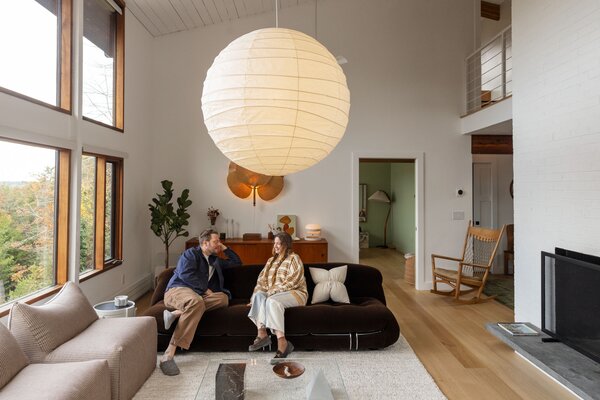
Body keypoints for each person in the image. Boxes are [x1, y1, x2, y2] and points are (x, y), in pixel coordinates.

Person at [159, 229, 241, 376]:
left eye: (219, 242)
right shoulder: (191, 254)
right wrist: (204, 289)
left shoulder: (214, 260)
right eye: (216, 241)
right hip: (178, 290)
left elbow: (237, 263)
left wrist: (224, 248)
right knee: (196, 301)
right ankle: (169, 353)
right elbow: (185, 274)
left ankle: (176, 314)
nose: (219, 244)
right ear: (204, 243)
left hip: (196, 297)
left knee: (223, 298)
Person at [247, 232, 307, 362]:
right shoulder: (270, 261)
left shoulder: (294, 258)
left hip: (296, 293)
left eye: (279, 243)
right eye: (274, 243)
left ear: (286, 244)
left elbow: (294, 281)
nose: (276, 246)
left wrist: (273, 291)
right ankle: (262, 334)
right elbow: (261, 281)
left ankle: (282, 343)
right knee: (258, 296)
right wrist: (253, 298)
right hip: (274, 294)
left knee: (271, 300)